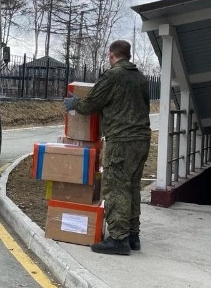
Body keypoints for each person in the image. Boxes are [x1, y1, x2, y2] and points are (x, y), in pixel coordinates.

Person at [64, 40, 151, 256]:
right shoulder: (140, 78)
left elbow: (91, 104)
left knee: (116, 187)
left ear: (112, 55)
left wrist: (74, 103)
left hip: (121, 141)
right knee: (131, 186)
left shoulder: (113, 76)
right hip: (142, 140)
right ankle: (133, 236)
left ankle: (118, 239)